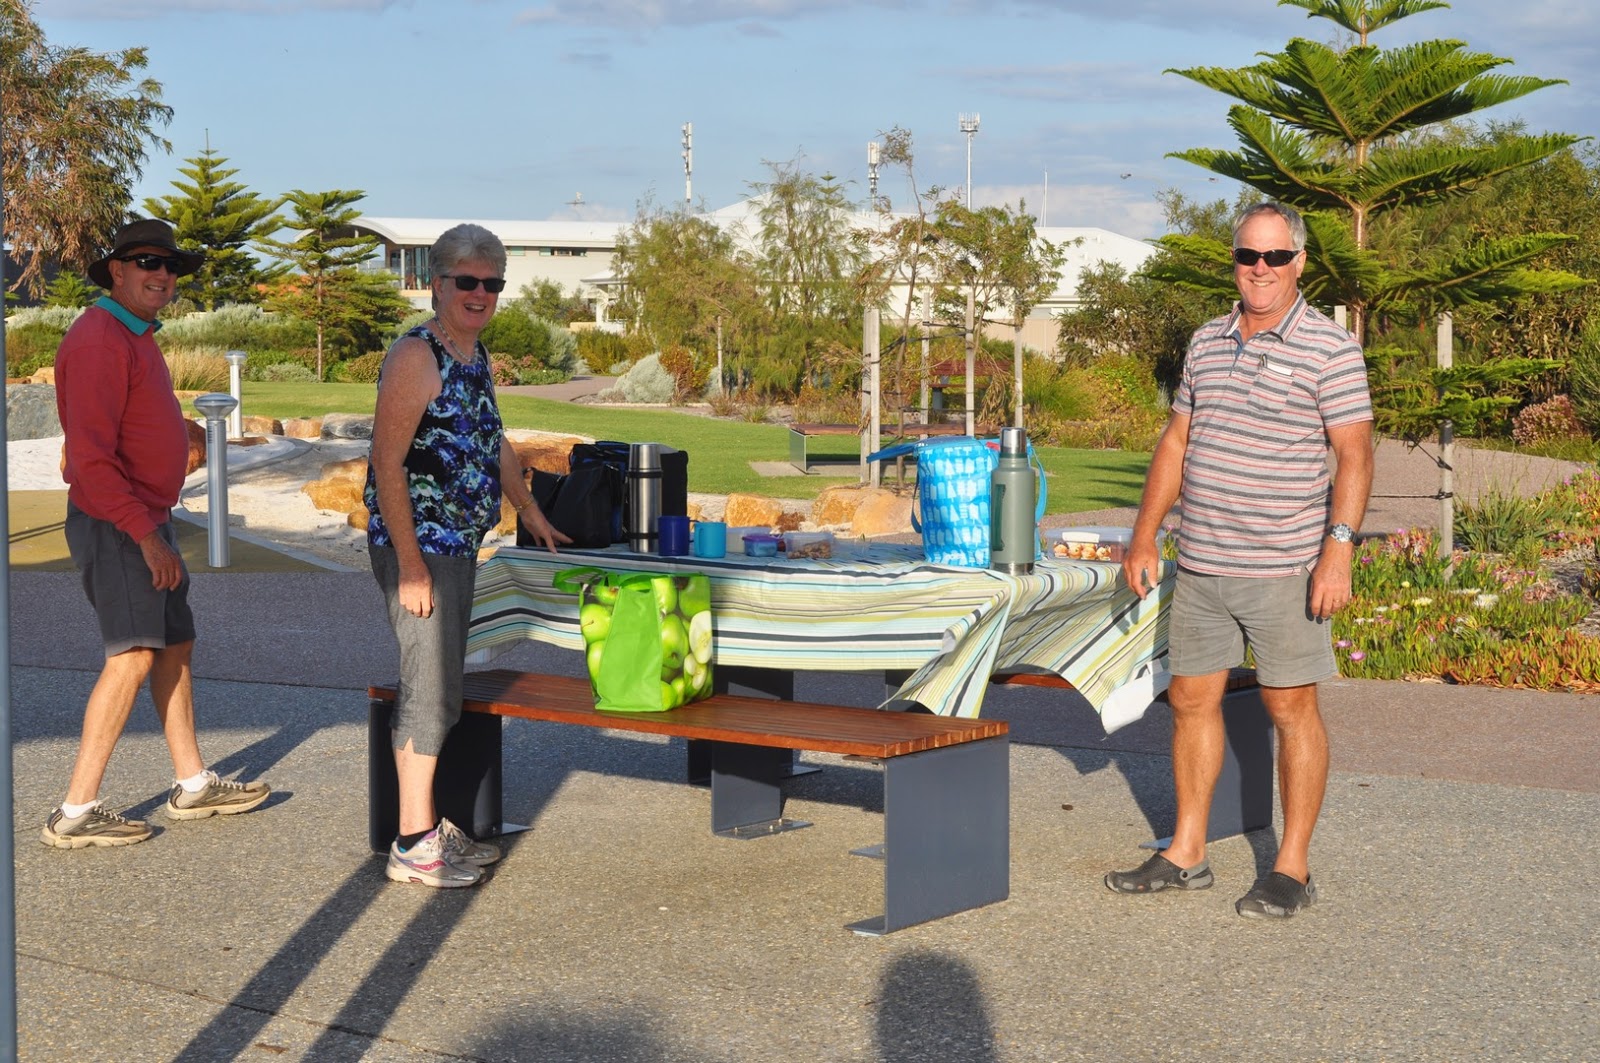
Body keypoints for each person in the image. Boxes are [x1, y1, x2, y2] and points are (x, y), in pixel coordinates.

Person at [1105, 201, 1374, 919]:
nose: (1260, 268)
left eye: (1275, 256)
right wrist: (1145, 534)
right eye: (1248, 255)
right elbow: (1177, 441)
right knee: (1191, 700)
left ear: (1299, 263)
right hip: (1202, 562)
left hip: (1284, 564)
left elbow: (1354, 454)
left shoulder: (1330, 348)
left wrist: (1338, 551)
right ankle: (1187, 851)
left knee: (1291, 707)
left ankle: (1292, 868)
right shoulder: (1207, 340)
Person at [45, 218, 272, 849]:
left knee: (173, 643)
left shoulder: (134, 334)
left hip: (146, 518)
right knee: (134, 653)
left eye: (170, 265)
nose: (162, 274)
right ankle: (76, 810)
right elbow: (89, 459)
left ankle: (193, 784)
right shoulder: (99, 339)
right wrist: (145, 535)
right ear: (116, 270)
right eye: (148, 262)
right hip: (119, 522)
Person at [365, 222, 569, 888]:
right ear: (438, 283)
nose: (480, 293)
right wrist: (411, 566)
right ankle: (412, 843)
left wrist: (528, 509)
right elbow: (387, 464)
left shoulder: (472, 355)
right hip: (420, 548)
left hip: (457, 547)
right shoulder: (416, 356)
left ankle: (427, 828)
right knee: (427, 691)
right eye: (467, 281)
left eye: (492, 283)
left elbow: (493, 440)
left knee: (443, 690)